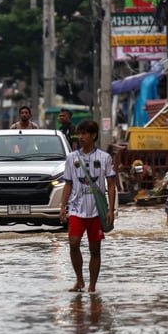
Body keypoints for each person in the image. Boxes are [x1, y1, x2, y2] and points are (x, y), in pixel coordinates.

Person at [59, 119, 116, 293]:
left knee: (95, 249)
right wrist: (63, 207)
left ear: (93, 135)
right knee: (73, 243)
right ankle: (79, 280)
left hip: (96, 210)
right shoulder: (71, 158)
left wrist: (111, 210)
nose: (81, 137)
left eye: (84, 133)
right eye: (79, 133)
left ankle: (92, 286)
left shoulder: (104, 157)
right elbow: (67, 183)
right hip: (76, 208)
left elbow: (111, 184)